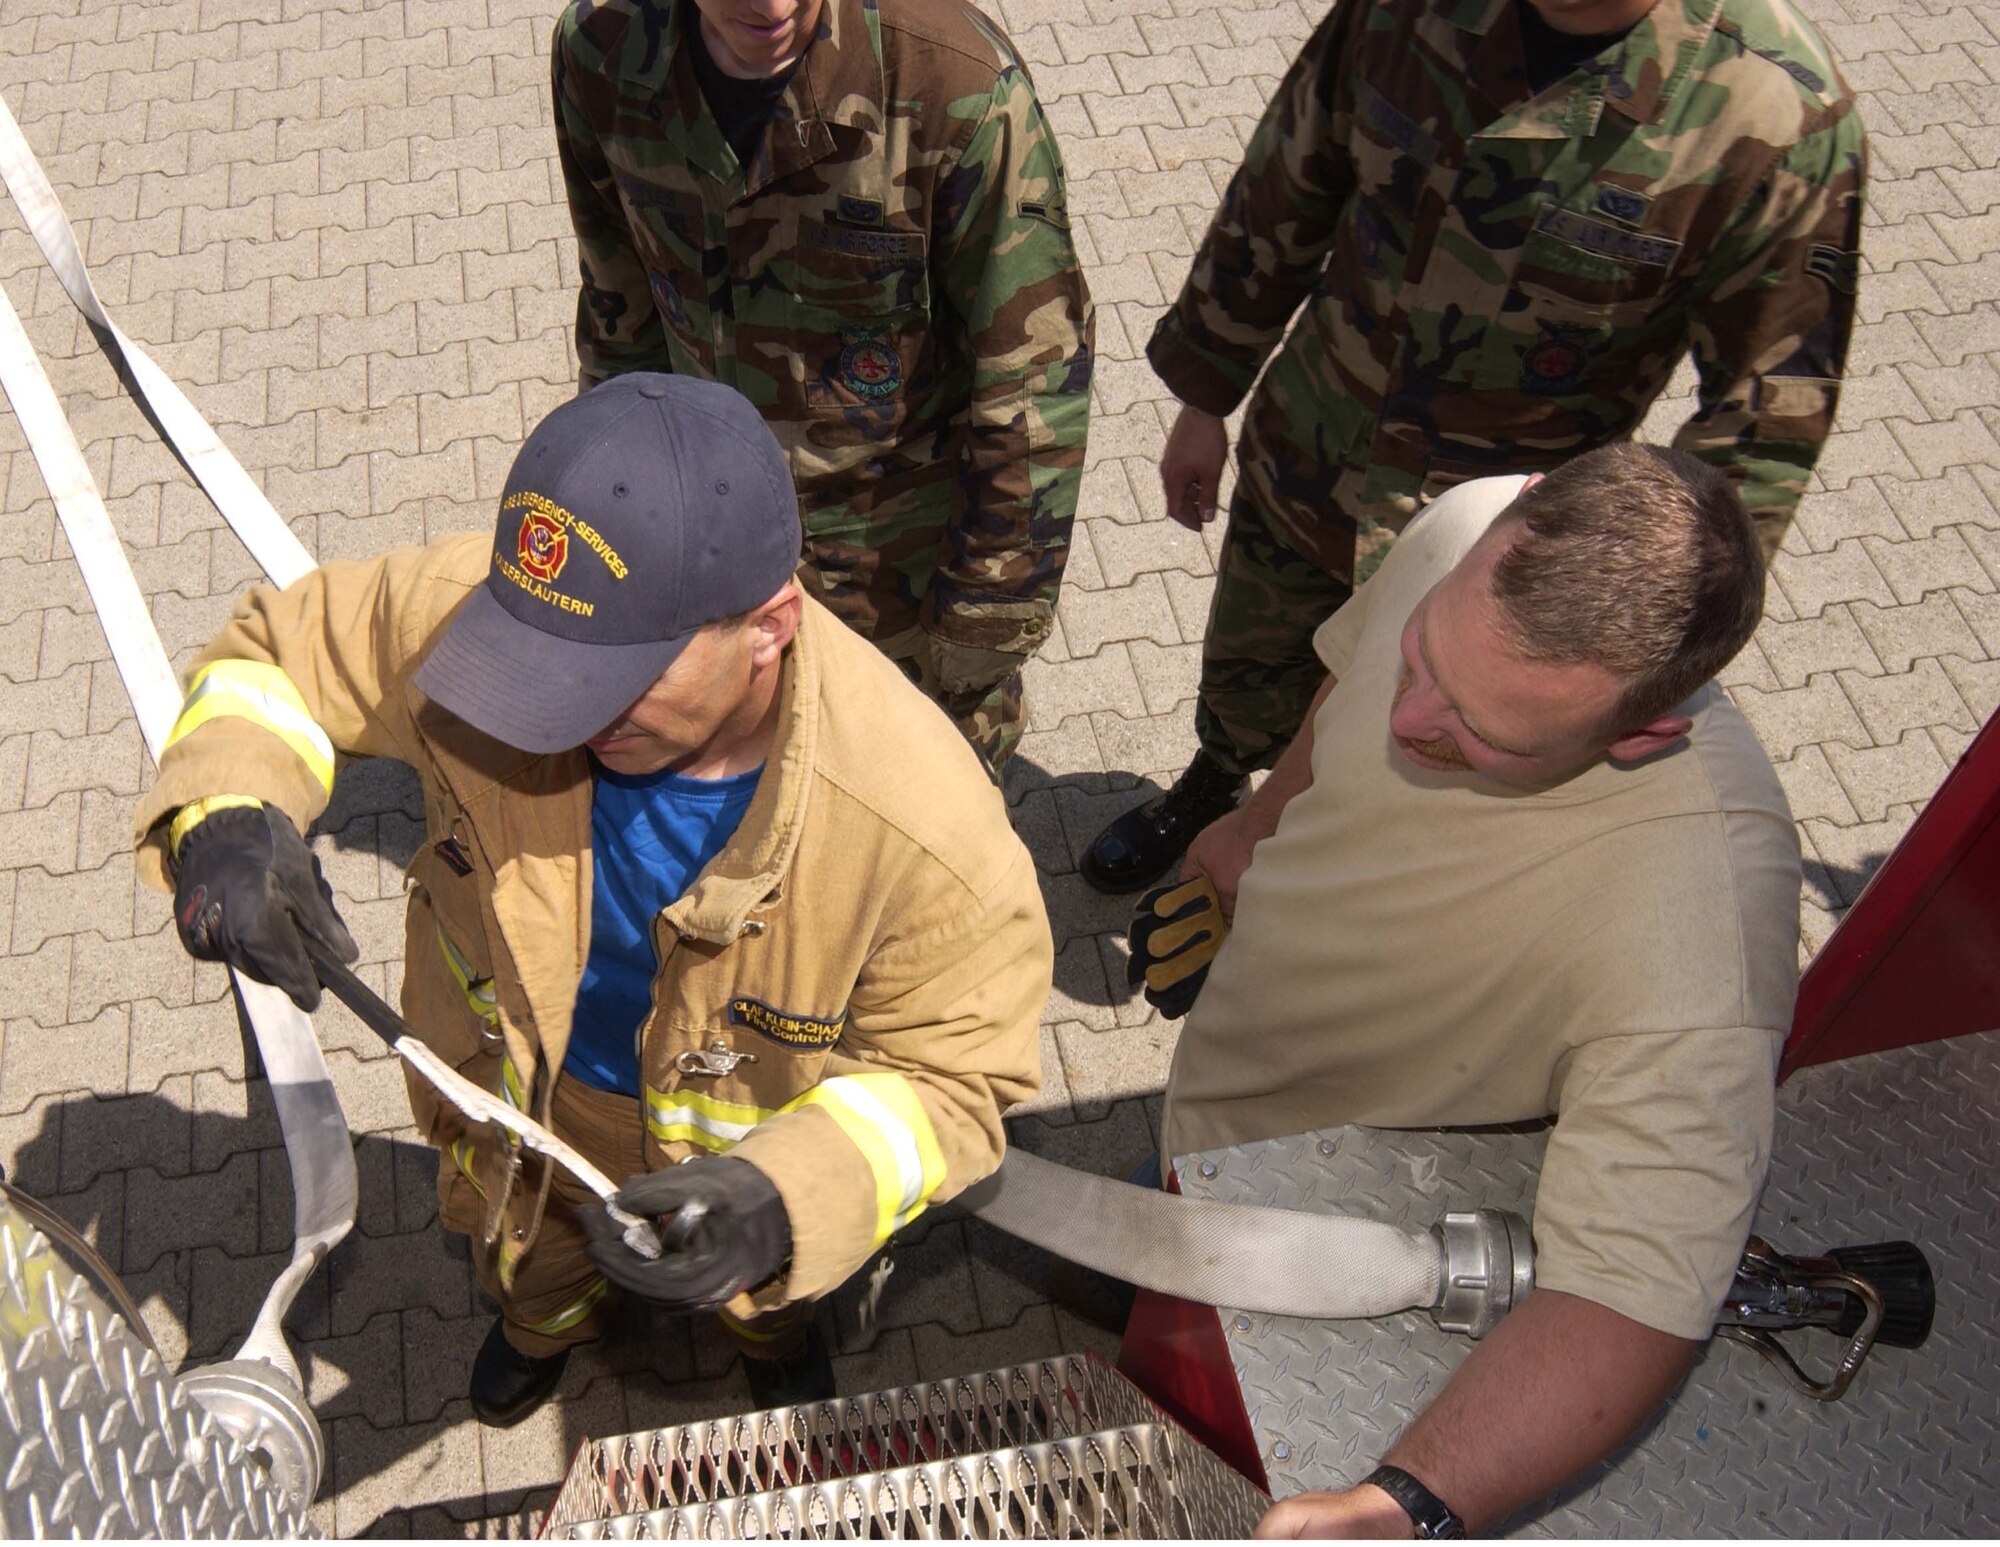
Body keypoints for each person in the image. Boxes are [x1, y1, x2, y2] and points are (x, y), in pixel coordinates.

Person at [132, 374, 1052, 1425]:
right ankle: (539, 1334)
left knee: (754, 1289)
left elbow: (951, 1077)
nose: (554, 708)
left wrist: (785, 1198)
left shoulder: (925, 831)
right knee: (529, 1258)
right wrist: (227, 809)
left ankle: (770, 1338)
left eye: (617, 674)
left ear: (768, 623)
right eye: (536, 656)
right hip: (524, 1108)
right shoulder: (499, 620)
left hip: (743, 1147)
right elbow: (282, 656)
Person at [1129, 444, 1800, 1537]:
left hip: (1325, 1217)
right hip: (1213, 1105)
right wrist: (1251, 830)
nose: (1409, 721)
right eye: (1426, 652)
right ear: (1518, 514)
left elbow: (1627, 1294)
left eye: (1482, 735)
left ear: (1639, 735)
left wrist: (1395, 1507)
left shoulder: (1703, 920)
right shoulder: (1473, 516)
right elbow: (1351, 686)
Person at [1081, 0, 1864, 891]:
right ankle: (1214, 785)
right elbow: (1288, 182)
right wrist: (1206, 395)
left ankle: (1353, 885)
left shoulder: (1778, 113)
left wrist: (1617, 658)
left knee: (1428, 754)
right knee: (1251, 665)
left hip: (1503, 556)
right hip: (1311, 456)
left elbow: (1762, 428)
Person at [551, 0, 1095, 767]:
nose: (770, 5)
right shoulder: (602, 53)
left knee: (916, 842)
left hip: (895, 580)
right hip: (709, 564)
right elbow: (618, 307)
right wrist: (620, 521)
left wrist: (986, 620)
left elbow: (1033, 378)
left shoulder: (958, 88)